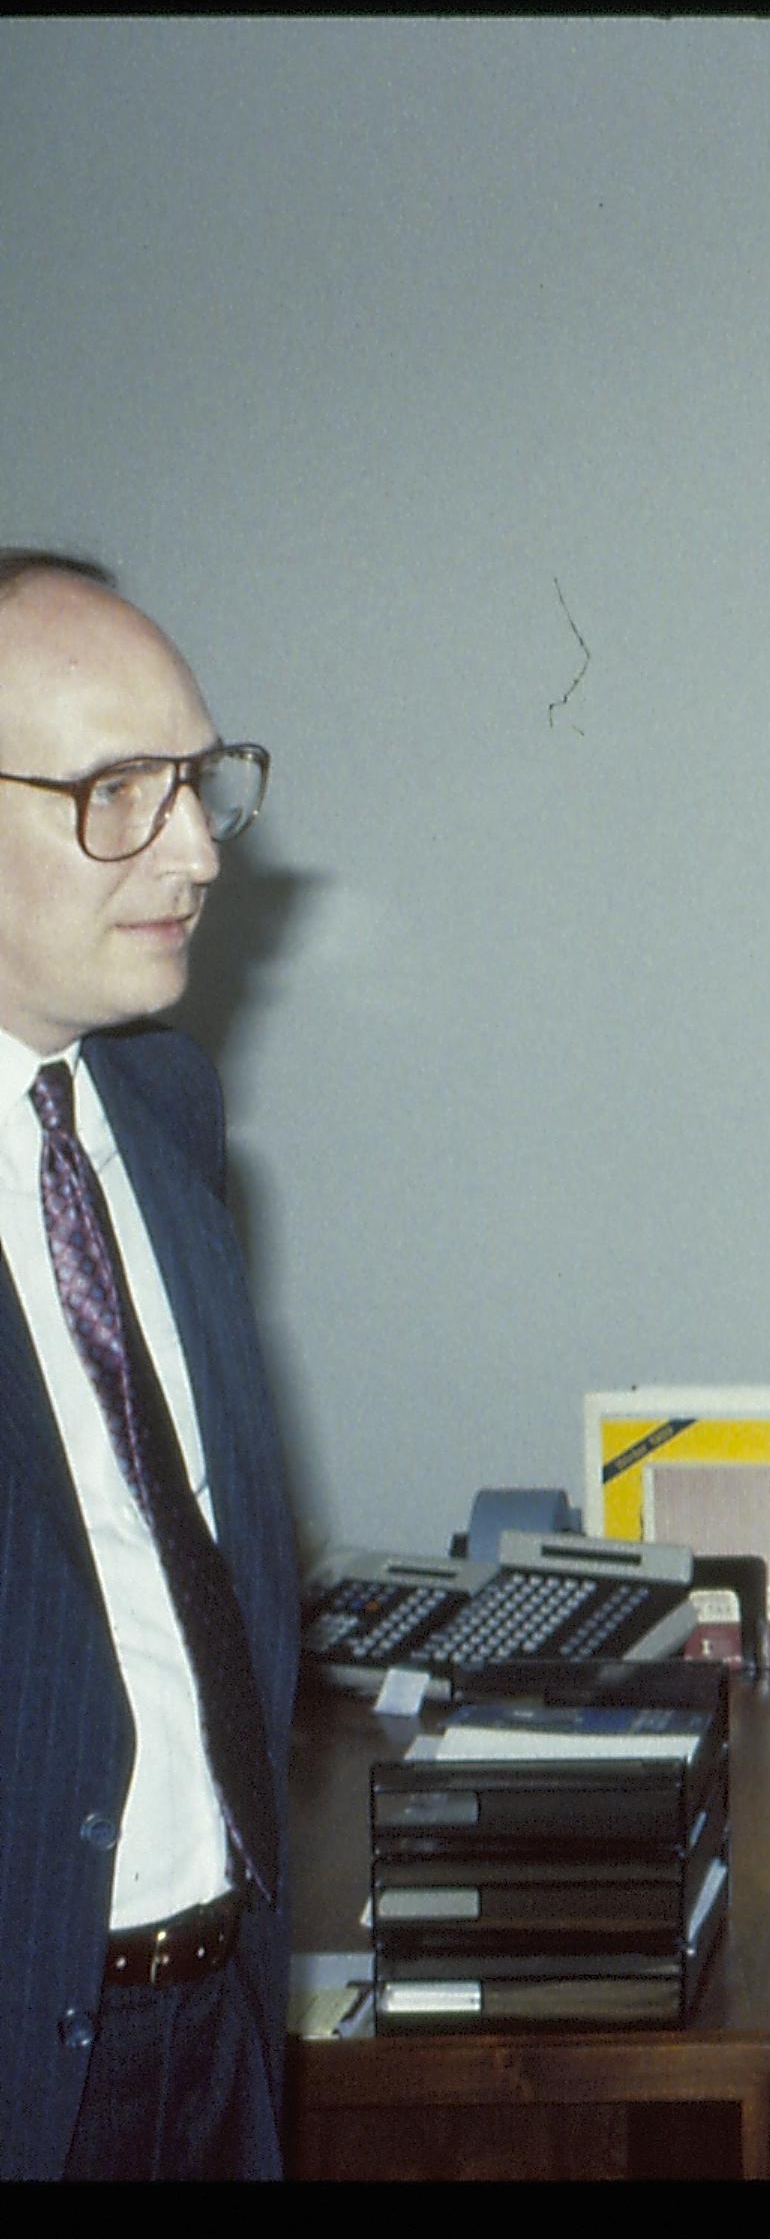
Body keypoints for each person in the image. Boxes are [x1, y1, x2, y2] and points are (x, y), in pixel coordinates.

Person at [0, 551, 294, 2180]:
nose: (194, 849)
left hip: (218, 2032)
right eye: (118, 790)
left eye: (196, 781)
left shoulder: (164, 1108)